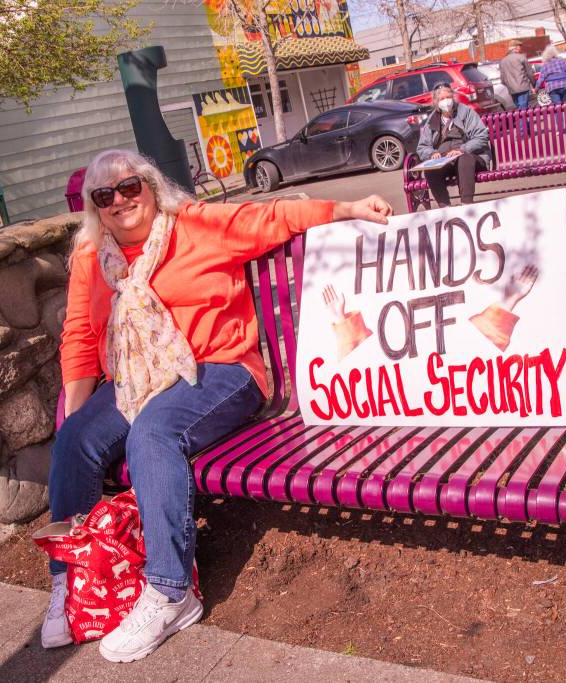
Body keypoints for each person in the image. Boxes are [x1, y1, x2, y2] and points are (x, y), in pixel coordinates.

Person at [43, 148, 392, 661]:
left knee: (153, 433)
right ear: (95, 208)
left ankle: (169, 590)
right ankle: (74, 580)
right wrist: (79, 416)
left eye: (130, 187)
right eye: (105, 195)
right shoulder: (91, 259)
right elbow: (77, 338)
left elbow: (270, 217)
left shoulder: (197, 225)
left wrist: (345, 209)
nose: (120, 201)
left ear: (151, 186)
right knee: (75, 439)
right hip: (139, 378)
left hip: (221, 370)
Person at [415, 84, 492, 208]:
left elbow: (481, 137)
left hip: (472, 158)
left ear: (453, 97)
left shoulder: (465, 111)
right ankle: (445, 208)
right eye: (442, 99)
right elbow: (422, 147)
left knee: (464, 159)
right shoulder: (432, 119)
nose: (446, 101)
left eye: (448, 97)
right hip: (446, 160)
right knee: (430, 169)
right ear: (436, 102)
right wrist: (432, 154)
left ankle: (466, 204)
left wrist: (462, 149)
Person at [499, 40, 536, 111]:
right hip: (522, 87)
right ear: (515, 48)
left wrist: (509, 85)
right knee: (523, 109)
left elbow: (502, 79)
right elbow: (530, 73)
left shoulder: (503, 61)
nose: (520, 48)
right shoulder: (521, 57)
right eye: (519, 47)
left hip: (512, 89)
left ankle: (525, 122)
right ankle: (523, 122)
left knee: (519, 108)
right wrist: (534, 84)